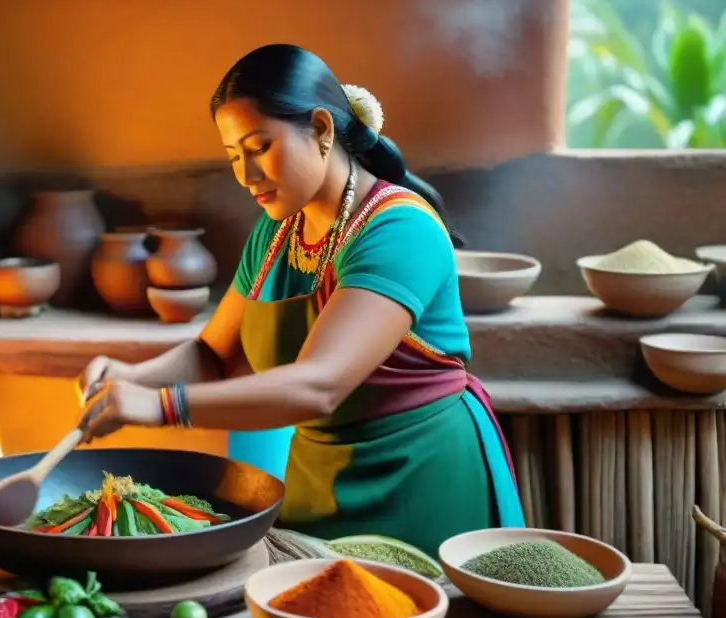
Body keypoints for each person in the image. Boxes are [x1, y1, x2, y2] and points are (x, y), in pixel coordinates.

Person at [75, 43, 524, 556]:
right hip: (318, 480)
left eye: (259, 146)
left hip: (417, 478)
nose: (246, 175)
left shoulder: (400, 229)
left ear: (321, 129)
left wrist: (159, 406)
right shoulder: (278, 235)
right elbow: (213, 355)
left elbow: (320, 384)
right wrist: (130, 377)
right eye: (233, 156)